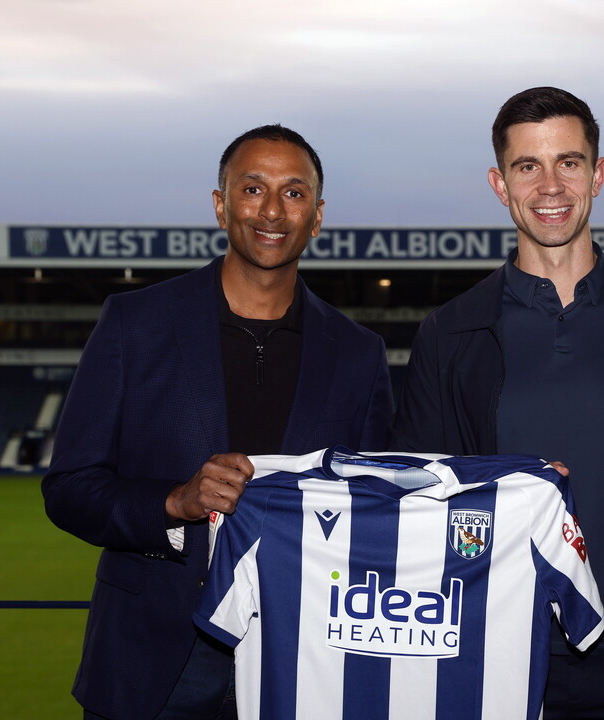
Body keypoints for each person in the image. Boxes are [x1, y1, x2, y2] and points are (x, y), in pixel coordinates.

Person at [390, 87, 604, 718]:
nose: (550, 185)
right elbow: (419, 499)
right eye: (528, 166)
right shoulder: (451, 334)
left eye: (568, 163)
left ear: (598, 174)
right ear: (500, 183)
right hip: (490, 661)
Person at [43, 124, 394, 720]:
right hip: (155, 661)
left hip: (301, 658)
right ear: (221, 204)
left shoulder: (359, 352)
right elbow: (70, 489)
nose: (273, 211)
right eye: (253, 188)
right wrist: (173, 504)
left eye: (294, 192)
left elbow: (381, 510)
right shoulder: (135, 323)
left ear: (317, 214)